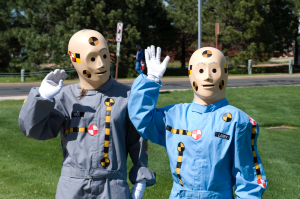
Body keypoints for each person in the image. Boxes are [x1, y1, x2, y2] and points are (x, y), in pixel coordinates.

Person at [19, 30, 156, 199]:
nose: (101, 64)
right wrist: (42, 98)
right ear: (74, 59)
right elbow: (33, 130)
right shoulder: (65, 97)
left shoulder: (127, 97)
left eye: (104, 56)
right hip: (72, 187)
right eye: (92, 58)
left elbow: (138, 140)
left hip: (113, 186)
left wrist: (140, 177)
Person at [128, 46, 267, 199]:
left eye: (214, 70)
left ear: (225, 73)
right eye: (200, 71)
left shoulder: (237, 121)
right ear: (191, 75)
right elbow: (141, 118)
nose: (208, 77)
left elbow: (248, 178)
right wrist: (151, 80)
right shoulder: (174, 115)